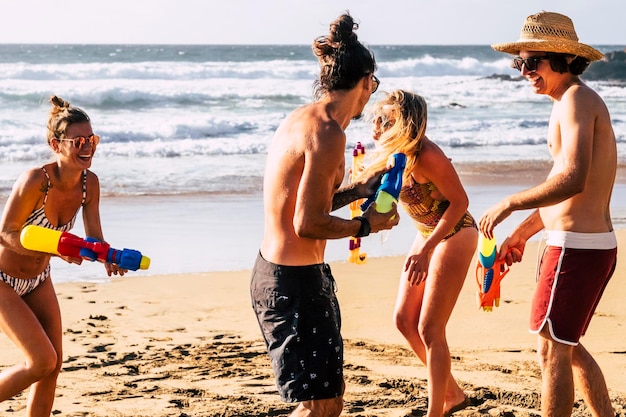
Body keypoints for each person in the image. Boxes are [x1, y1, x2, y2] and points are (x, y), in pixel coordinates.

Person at [250, 13, 399, 417]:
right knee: (321, 408)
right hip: (292, 284)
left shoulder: (304, 118)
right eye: (375, 85)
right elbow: (307, 223)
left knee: (327, 402)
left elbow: (305, 204)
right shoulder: (329, 133)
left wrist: (357, 188)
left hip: (290, 277)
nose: (373, 94)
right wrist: (368, 224)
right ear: (366, 80)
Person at [479, 11, 617, 417]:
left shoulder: (576, 100)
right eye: (518, 62)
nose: (524, 71)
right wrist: (523, 233)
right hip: (572, 245)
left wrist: (509, 202)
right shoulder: (568, 101)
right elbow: (567, 189)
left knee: (551, 350)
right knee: (563, 344)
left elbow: (573, 179)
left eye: (532, 61)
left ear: (562, 57)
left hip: (578, 248)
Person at [0, 95, 124, 416]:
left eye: (92, 139)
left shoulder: (89, 184)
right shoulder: (35, 181)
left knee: (53, 366)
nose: (88, 147)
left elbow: (93, 236)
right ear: (57, 145)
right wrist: (56, 248)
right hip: (2, 280)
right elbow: (6, 233)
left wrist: (107, 254)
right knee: (41, 360)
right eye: (79, 141)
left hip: (38, 279)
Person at [364, 90, 477, 417]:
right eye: (375, 119)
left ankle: (435, 412)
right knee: (403, 320)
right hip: (427, 234)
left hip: (455, 233)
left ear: (402, 123)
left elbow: (460, 203)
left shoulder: (428, 155)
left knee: (429, 329)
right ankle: (452, 394)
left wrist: (427, 249)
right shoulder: (390, 155)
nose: (375, 125)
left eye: (382, 120)